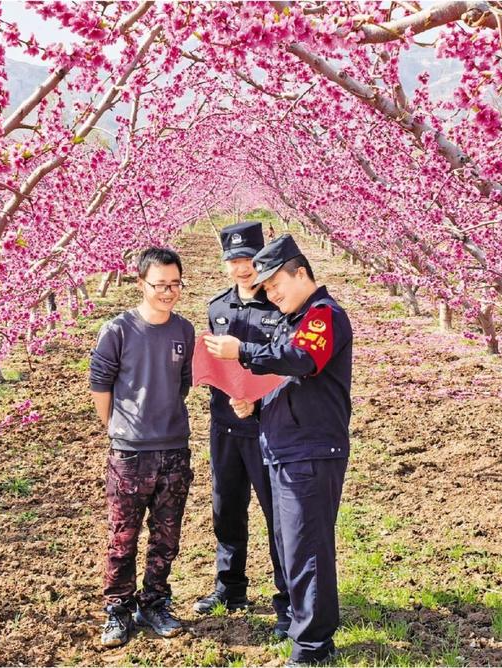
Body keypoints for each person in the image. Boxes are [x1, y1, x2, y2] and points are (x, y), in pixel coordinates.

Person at [204, 235, 352, 666]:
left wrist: (243, 350)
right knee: (292, 545)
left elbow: (301, 360)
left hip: (310, 449)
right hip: (283, 445)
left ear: (301, 272)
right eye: (265, 289)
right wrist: (255, 402)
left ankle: (312, 647)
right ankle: (300, 628)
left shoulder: (323, 315)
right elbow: (285, 376)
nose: (271, 293)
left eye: (275, 285)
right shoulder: (295, 317)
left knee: (307, 550)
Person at [89, 247, 196, 648]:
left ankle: (154, 602)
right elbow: (100, 385)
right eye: (159, 285)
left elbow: (183, 383)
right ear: (141, 283)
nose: (168, 292)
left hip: (174, 447)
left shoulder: (184, 331)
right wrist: (118, 428)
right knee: (123, 536)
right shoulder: (118, 330)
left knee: (166, 536)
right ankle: (117, 608)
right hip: (130, 452)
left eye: (174, 284)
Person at [195, 221, 291, 638]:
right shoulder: (218, 308)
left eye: (248, 260)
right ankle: (230, 587)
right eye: (233, 261)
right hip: (224, 426)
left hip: (267, 427)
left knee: (277, 514)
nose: (241, 269)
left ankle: (287, 598)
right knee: (226, 508)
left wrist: (257, 400)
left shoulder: (280, 308)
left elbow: (289, 367)